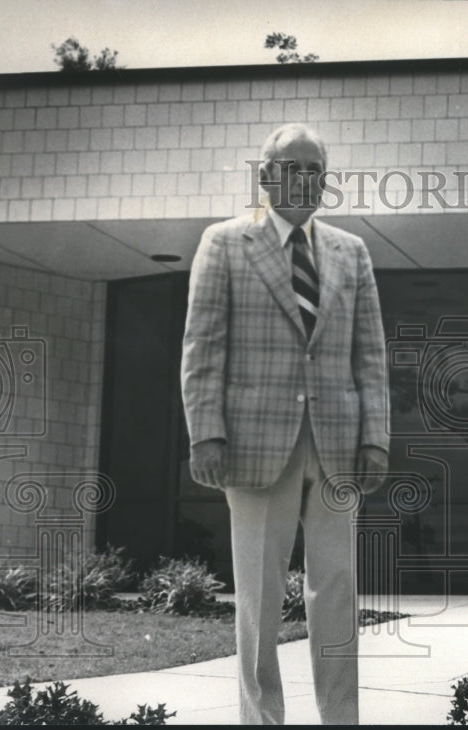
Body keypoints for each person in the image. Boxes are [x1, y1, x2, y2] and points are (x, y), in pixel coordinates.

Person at [180, 122, 389, 725]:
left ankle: (340, 719)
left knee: (339, 592)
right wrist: (207, 432)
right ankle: (261, 720)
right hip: (251, 444)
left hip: (337, 446)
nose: (306, 181)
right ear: (266, 177)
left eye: (316, 171)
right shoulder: (223, 244)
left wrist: (375, 438)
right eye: (293, 169)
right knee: (259, 597)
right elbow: (203, 346)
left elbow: (369, 355)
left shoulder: (352, 251)